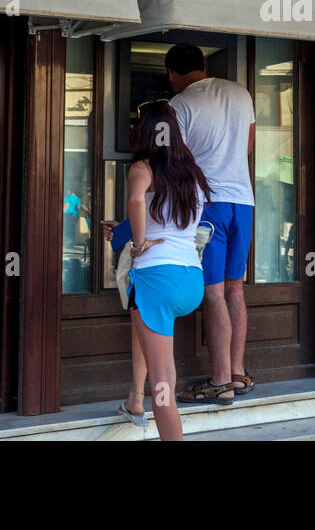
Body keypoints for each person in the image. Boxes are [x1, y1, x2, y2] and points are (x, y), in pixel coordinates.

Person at [108, 99, 210, 441]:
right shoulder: (191, 173)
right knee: (157, 354)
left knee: (162, 380)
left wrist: (137, 243)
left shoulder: (143, 168)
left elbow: (138, 200)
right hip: (191, 280)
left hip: (156, 280)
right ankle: (134, 399)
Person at [165, 43, 256, 406]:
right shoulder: (240, 93)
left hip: (208, 206)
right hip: (242, 202)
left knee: (213, 292)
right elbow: (247, 147)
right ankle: (237, 371)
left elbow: (174, 161)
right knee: (235, 289)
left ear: (171, 73)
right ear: (203, 65)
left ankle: (220, 383)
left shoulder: (179, 104)